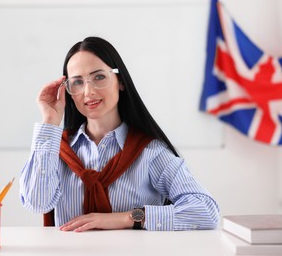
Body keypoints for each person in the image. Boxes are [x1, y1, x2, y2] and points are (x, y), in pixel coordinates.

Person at [19, 36, 220, 232]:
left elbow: (206, 211)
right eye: (78, 82)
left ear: (120, 81)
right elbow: (37, 204)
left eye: (99, 77)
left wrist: (125, 218)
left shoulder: (150, 152)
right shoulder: (57, 150)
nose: (88, 91)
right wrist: (50, 121)